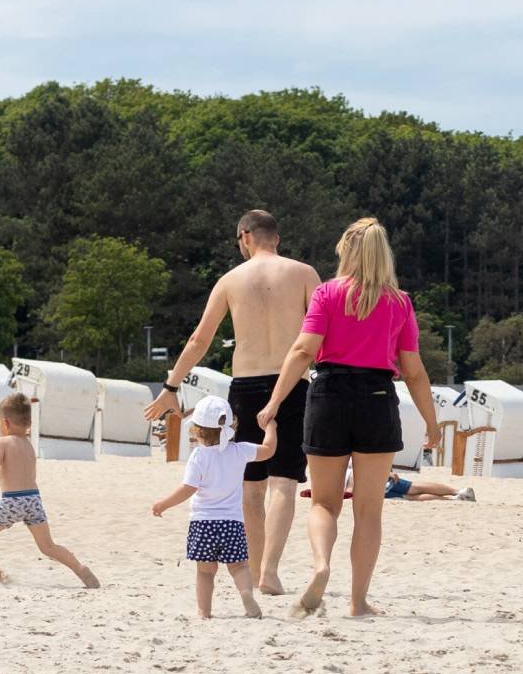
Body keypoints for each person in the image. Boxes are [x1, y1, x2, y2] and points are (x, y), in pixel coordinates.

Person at [257, 217, 439, 619]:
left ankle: (322, 566)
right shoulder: (399, 302)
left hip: (329, 397)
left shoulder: (327, 293)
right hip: (377, 399)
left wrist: (274, 401)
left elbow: (303, 351)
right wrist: (431, 422)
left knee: (324, 502)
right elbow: (414, 371)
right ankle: (358, 602)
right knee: (369, 509)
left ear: (347, 251)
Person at [143, 209, 321, 596]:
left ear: (245, 236)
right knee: (284, 482)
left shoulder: (230, 280)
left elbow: (199, 340)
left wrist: (171, 385)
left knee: (251, 486)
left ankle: (254, 570)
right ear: (276, 237)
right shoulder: (304, 274)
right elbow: (321, 333)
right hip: (292, 383)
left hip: (246, 387)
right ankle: (270, 571)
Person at [0, 392, 99, 588]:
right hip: (33, 500)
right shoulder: (28, 445)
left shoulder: (2, 442)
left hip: (12, 500)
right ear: (29, 423)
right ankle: (80, 568)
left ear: (5, 423)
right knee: (48, 546)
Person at [151, 396, 278, 619]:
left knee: (205, 572)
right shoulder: (239, 451)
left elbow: (188, 489)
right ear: (231, 425)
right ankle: (246, 594)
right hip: (232, 523)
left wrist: (164, 503)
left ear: (197, 430)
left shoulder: (199, 456)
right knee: (239, 566)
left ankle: (204, 611)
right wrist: (271, 427)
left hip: (203, 524)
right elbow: (268, 449)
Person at [376, 470, 476, 502]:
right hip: (376, 479)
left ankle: (454, 499)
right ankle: (458, 492)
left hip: (369, 490)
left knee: (409, 497)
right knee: (413, 487)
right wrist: (386, 471)